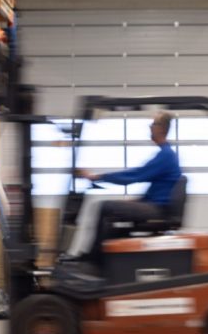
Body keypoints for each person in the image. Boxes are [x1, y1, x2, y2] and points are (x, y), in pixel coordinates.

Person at [71, 111, 182, 261]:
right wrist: (137, 201)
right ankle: (104, 260)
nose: (150, 127)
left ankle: (93, 258)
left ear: (161, 128)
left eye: (153, 124)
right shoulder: (165, 154)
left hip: (158, 210)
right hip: (155, 206)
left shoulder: (166, 156)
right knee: (111, 218)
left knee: (106, 207)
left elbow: (135, 175)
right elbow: (156, 190)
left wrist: (98, 177)